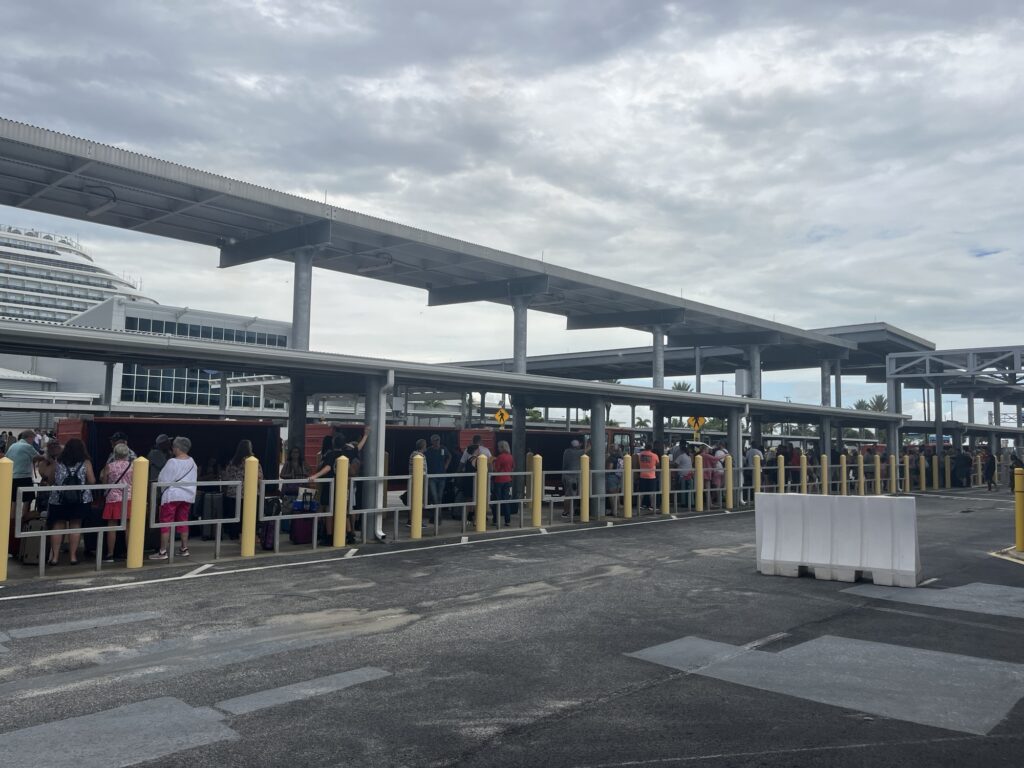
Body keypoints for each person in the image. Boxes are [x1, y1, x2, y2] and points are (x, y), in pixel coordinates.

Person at [44, 437, 96, 566]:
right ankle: (73, 557)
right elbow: (92, 481)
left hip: (58, 499)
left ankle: (55, 557)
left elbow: (50, 480)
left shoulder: (58, 462)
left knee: (57, 526)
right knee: (75, 526)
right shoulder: (86, 462)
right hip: (80, 499)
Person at [151, 436, 197, 560]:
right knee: (183, 521)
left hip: (172, 496)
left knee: (166, 522)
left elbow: (163, 478)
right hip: (187, 496)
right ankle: (184, 548)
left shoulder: (172, 462)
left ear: (177, 448)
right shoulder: (192, 462)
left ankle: (163, 551)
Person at [6, 430, 43, 558]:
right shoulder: (27, 446)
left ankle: (11, 523)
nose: (33, 441)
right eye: (33, 438)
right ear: (29, 438)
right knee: (27, 501)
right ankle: (23, 522)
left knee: (13, 503)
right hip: (24, 477)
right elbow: (39, 457)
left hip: (11, 477)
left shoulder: (13, 445)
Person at [221, 439, 264, 539]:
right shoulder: (253, 461)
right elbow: (259, 477)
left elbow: (226, 477)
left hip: (233, 492)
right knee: (249, 517)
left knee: (235, 516)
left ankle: (234, 534)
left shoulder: (232, 462)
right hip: (249, 493)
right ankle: (247, 536)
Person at [100, 442, 133, 563]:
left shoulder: (109, 466)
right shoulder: (132, 466)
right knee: (128, 527)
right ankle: (130, 552)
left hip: (113, 499)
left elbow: (104, 483)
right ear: (127, 454)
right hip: (128, 498)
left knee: (112, 527)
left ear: (115, 454)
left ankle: (110, 554)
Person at [424, 434, 451, 509]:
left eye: (438, 440)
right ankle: (437, 514)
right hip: (432, 477)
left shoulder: (443, 448)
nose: (437, 441)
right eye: (435, 440)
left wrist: (446, 466)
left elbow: (449, 456)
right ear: (431, 441)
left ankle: (437, 515)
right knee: (434, 496)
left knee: (440, 496)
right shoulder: (428, 450)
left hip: (442, 477)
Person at [491, 441, 515, 527]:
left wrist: (493, 462)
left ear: (502, 447)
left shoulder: (500, 457)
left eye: (499, 447)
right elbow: (512, 468)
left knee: (497, 500)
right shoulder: (511, 457)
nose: (498, 449)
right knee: (506, 500)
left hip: (499, 480)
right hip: (508, 480)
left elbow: (495, 470)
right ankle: (507, 520)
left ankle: (495, 520)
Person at [561, 438, 585, 517]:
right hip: (571, 477)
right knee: (569, 495)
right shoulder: (574, 452)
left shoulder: (567, 451)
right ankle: (565, 512)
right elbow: (587, 449)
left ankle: (571, 512)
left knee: (572, 495)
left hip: (569, 476)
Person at [636, 442, 659, 511]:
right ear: (651, 448)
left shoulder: (640, 455)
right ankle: (652, 506)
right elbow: (658, 464)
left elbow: (638, 463)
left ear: (645, 447)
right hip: (651, 476)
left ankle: (639, 505)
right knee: (652, 492)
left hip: (642, 475)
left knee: (641, 491)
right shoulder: (654, 455)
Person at [606, 444, 623, 516]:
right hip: (619, 476)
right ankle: (617, 510)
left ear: (612, 450)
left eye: (610, 448)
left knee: (611, 495)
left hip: (611, 477)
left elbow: (610, 468)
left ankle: (614, 511)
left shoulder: (611, 458)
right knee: (617, 494)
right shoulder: (621, 457)